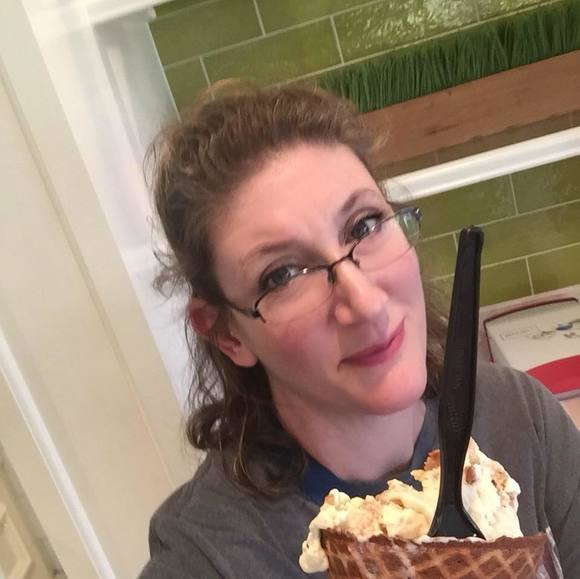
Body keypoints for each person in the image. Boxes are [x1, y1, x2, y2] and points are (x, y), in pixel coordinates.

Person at [138, 83, 579, 578]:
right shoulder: (206, 558)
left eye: (364, 226)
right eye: (283, 275)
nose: (365, 304)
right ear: (228, 335)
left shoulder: (518, 417)